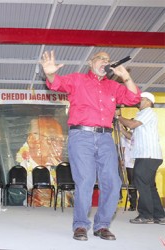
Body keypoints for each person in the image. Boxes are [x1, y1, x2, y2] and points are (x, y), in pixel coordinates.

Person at [41, 51, 141, 241]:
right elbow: (57, 83)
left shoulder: (113, 86)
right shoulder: (78, 80)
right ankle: (80, 225)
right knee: (85, 180)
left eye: (107, 60)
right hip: (81, 136)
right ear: (90, 61)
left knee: (113, 182)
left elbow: (134, 99)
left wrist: (125, 76)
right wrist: (50, 73)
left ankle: (102, 225)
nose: (105, 62)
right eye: (101, 58)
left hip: (105, 138)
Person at [117, 92, 165, 225]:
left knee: (142, 184)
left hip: (147, 155)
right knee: (149, 186)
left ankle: (145, 215)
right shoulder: (142, 115)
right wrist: (121, 129)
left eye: (141, 99)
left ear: (149, 101)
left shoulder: (148, 112)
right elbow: (131, 136)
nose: (139, 101)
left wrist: (119, 117)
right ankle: (159, 215)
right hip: (147, 156)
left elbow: (131, 125)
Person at [16, 116, 65, 207]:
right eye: (51, 139)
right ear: (31, 139)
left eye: (61, 140)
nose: (58, 147)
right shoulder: (20, 169)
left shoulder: (59, 170)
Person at [119, 122, 137, 211]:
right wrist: (122, 160)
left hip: (138, 162)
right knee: (131, 183)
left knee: (141, 183)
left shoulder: (139, 134)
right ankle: (133, 205)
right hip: (129, 163)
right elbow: (122, 148)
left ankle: (144, 204)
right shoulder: (123, 136)